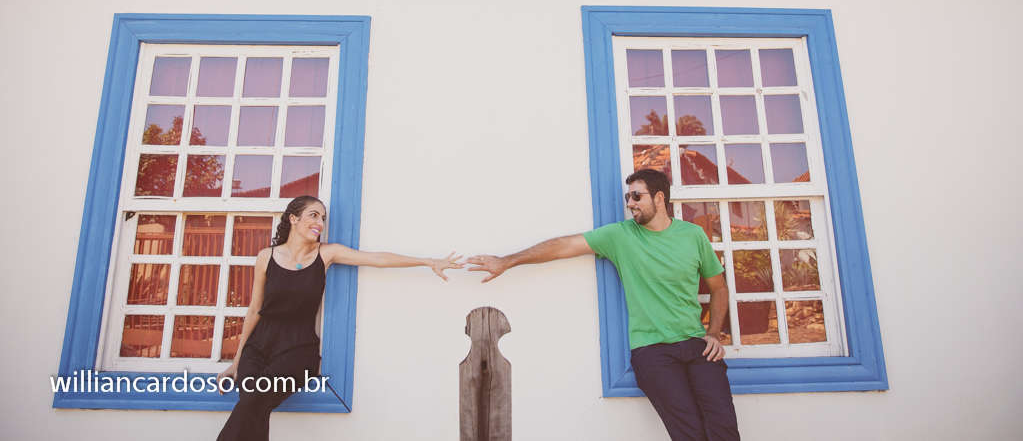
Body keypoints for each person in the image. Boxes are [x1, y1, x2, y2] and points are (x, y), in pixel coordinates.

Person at [466, 168, 739, 441]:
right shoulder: (621, 235)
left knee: (724, 429)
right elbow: (564, 246)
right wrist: (507, 261)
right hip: (653, 351)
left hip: (697, 346)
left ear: (659, 198)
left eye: (636, 196)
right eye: (627, 197)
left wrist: (714, 333)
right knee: (691, 434)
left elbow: (719, 288)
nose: (630, 203)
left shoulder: (693, 235)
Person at [216, 195, 462, 440]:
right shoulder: (266, 257)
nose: (320, 223)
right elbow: (254, 309)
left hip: (298, 349)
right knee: (253, 404)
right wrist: (237, 361)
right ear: (293, 218)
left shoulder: (326, 254)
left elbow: (377, 258)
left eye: (323, 218)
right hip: (258, 347)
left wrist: (428, 262)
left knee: (255, 398)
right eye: (314, 215)